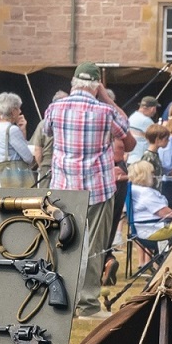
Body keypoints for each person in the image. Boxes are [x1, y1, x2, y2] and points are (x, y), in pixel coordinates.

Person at [41, 62, 121, 311]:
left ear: (73, 83)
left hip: (64, 185)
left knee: (63, 241)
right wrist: (107, 98)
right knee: (95, 245)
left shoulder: (55, 108)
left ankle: (61, 300)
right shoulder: (105, 111)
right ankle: (87, 303)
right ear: (97, 86)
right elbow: (126, 130)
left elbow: (46, 130)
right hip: (98, 185)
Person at [0, 92, 35, 189]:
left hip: (1, 179)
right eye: (18, 108)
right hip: (17, 181)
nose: (20, 111)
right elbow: (28, 158)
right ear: (13, 111)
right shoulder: (12, 130)